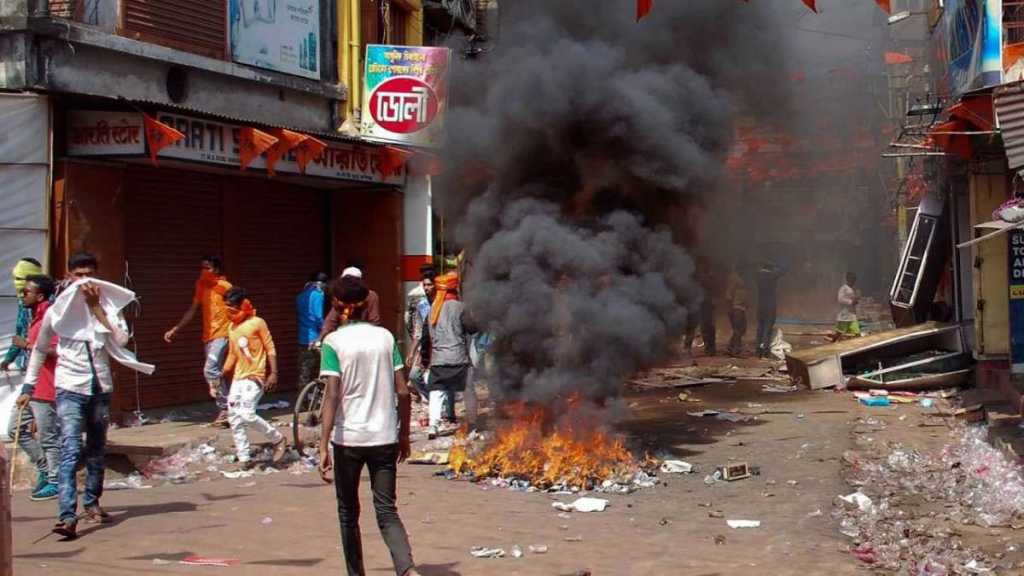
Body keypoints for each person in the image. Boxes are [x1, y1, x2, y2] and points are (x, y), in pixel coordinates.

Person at [25, 252, 153, 539]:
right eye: (79, 275)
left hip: (100, 389)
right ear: (70, 276)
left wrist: (96, 308)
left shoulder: (106, 306)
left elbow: (121, 339)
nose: (84, 280)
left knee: (96, 450)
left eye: (89, 274)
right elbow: (40, 349)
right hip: (70, 388)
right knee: (70, 450)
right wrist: (27, 387)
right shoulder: (58, 310)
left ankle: (92, 502)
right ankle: (67, 516)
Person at [318, 275, 420, 576]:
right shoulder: (386, 338)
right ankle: (407, 569)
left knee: (348, 513)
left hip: (348, 440)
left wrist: (322, 444)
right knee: (387, 510)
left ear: (337, 307)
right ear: (367, 304)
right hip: (384, 437)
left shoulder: (333, 342)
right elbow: (403, 391)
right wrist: (403, 435)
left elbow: (332, 395)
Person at [163, 256, 233, 428]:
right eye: (202, 267)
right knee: (218, 373)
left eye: (207, 267)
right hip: (208, 336)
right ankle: (232, 409)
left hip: (224, 334)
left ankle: (225, 408)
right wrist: (175, 329)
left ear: (216, 269)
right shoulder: (201, 286)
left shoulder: (225, 287)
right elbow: (193, 309)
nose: (204, 271)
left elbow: (240, 307)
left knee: (210, 369)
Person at [222, 287, 287, 470]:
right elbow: (233, 354)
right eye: (227, 307)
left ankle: (278, 438)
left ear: (244, 305)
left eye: (232, 307)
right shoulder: (231, 327)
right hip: (238, 379)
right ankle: (244, 458)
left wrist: (273, 373)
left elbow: (270, 348)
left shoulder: (258, 322)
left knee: (247, 414)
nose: (229, 311)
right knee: (234, 417)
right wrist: (223, 371)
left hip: (255, 377)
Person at [9, 275, 59, 501]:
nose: (22, 295)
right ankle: (44, 468)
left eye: (26, 292)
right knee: (15, 428)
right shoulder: (34, 317)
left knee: (48, 437)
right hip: (31, 385)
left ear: (39, 296)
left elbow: (57, 351)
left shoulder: (52, 317)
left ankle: (55, 481)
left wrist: (27, 345)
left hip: (47, 386)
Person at [425, 272, 471, 438]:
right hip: (459, 358)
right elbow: (472, 328)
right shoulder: (460, 307)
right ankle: (471, 424)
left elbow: (425, 337)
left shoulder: (432, 309)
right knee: (468, 389)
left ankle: (433, 426)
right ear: (455, 288)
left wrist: (425, 359)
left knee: (436, 393)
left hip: (438, 360)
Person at [317, 267, 381, 342]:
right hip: (343, 336)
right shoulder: (339, 296)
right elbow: (331, 321)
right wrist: (320, 339)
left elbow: (374, 321)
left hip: (363, 337)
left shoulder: (370, 296)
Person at [1, 258, 43, 373]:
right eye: (15, 278)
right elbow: (20, 333)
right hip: (26, 364)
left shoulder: (48, 305)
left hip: (43, 364)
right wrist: (9, 358)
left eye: (19, 279)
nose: (16, 282)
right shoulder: (22, 302)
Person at [406, 271, 436, 400]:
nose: (426, 288)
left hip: (439, 347)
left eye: (429, 285)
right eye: (424, 285)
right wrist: (412, 352)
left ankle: (443, 407)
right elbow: (418, 331)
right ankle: (430, 398)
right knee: (414, 375)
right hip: (424, 347)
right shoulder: (422, 305)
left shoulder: (442, 304)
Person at [297, 272, 329, 385]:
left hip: (302, 338)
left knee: (304, 371)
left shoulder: (300, 296)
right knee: (325, 368)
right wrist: (326, 330)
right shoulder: (318, 295)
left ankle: (303, 399)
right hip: (315, 338)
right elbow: (318, 317)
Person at [756, 261, 785, 358]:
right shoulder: (771, 276)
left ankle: (758, 350)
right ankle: (765, 351)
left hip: (760, 306)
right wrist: (776, 266)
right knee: (767, 329)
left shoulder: (759, 277)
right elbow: (782, 270)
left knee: (760, 328)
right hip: (770, 306)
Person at [725, 265, 749, 357]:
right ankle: (735, 350)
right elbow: (728, 294)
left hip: (741, 307)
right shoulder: (734, 278)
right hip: (736, 308)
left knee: (741, 329)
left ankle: (731, 347)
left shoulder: (740, 278)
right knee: (738, 329)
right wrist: (730, 308)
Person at [836, 272, 861, 337]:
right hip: (844, 315)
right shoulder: (843, 288)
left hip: (852, 315)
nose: (853, 282)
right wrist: (851, 302)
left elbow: (853, 300)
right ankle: (833, 343)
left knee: (857, 333)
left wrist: (856, 299)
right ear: (848, 279)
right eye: (852, 280)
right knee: (839, 333)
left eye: (854, 280)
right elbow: (840, 299)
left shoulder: (852, 289)